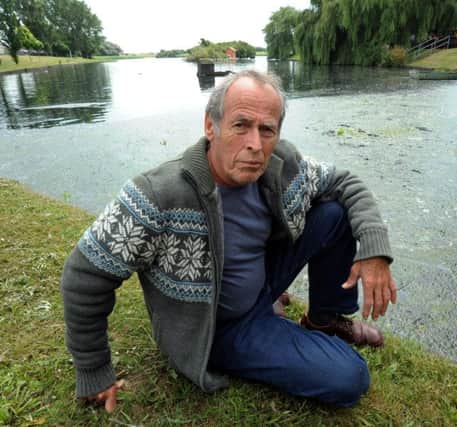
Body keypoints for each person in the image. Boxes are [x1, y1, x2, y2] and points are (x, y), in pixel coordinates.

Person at [61, 70, 397, 412]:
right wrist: (93, 368)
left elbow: (346, 182)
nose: (255, 144)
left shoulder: (281, 163)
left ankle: (324, 319)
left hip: (263, 282)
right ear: (211, 126)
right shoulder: (157, 195)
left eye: (267, 129)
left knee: (335, 213)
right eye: (241, 125)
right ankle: (265, 323)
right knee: (350, 378)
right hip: (217, 328)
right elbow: (84, 276)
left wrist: (374, 248)